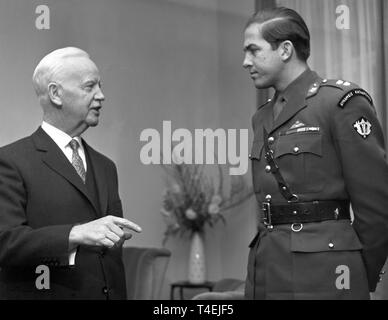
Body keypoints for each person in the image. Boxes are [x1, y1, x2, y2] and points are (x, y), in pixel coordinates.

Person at [243, 7, 388, 299]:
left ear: (285, 50)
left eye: (253, 50)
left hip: (327, 274)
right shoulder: (262, 117)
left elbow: (376, 208)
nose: (245, 62)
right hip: (268, 271)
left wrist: (358, 272)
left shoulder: (339, 103)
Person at [0, 47, 142, 299]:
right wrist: (76, 233)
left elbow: (110, 255)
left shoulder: (106, 166)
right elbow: (6, 242)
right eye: (90, 87)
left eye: (100, 86)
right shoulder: (10, 161)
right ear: (56, 94)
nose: (102, 96)